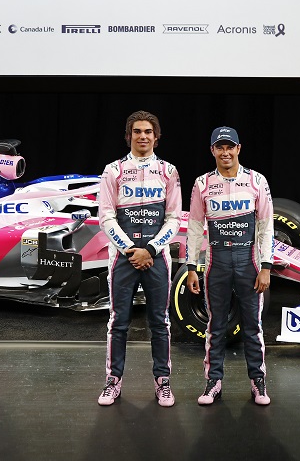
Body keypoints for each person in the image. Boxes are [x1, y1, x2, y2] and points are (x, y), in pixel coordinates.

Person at [96, 111, 182, 407]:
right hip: (123, 258)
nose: (143, 136)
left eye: (148, 131)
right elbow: (105, 217)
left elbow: (174, 218)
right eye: (137, 131)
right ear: (129, 136)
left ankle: (163, 382)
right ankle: (113, 381)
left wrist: (152, 249)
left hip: (157, 258)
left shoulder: (169, 171)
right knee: (118, 322)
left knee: (160, 322)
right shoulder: (113, 170)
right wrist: (131, 249)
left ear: (156, 137)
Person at [185, 126, 274, 406]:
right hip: (217, 263)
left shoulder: (257, 180)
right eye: (220, 147)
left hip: (249, 262)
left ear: (238, 148)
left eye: (230, 147)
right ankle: (213, 382)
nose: (225, 152)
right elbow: (194, 227)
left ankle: (258, 381)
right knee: (216, 325)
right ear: (212, 150)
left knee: (253, 326)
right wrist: (191, 266)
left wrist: (266, 266)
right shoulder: (202, 183)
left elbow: (266, 227)